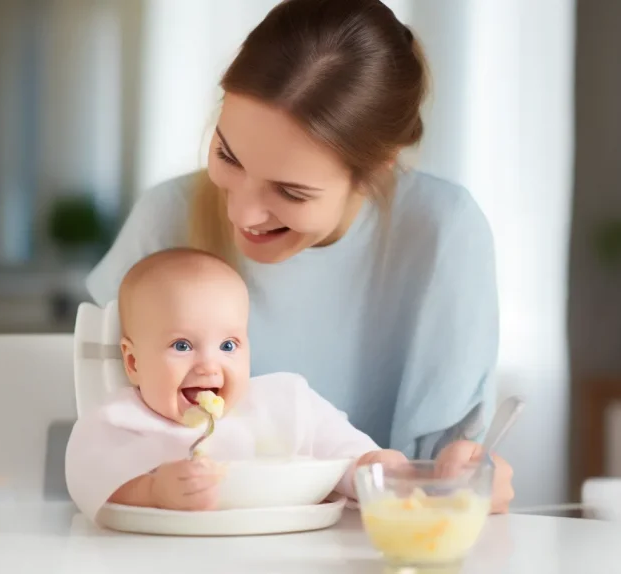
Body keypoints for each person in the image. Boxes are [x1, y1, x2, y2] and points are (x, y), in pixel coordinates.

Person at [85, 0, 514, 513]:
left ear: (377, 168)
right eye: (227, 156)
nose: (242, 214)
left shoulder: (444, 234)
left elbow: (436, 477)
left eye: (290, 192)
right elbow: (104, 435)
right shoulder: (164, 219)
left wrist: (462, 477)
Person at [65, 248, 409, 522]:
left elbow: (340, 455)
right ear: (134, 363)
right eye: (182, 345)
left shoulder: (284, 402)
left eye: (228, 345)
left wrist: (370, 470)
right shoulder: (120, 421)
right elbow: (88, 478)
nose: (209, 365)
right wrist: (153, 491)